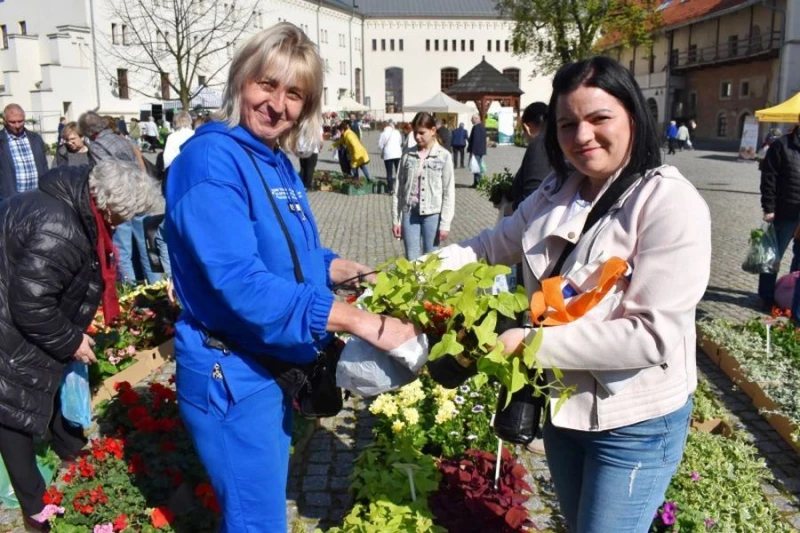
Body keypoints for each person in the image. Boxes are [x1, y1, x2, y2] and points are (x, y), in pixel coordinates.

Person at [435, 56, 710, 532]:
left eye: (599, 118)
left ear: (632, 117)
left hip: (634, 421)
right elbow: (489, 245)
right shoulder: (558, 189)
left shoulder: (668, 201)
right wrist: (408, 273)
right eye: (567, 124)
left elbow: (651, 336)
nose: (582, 136)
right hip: (563, 409)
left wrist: (530, 344)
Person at [164, 23, 419, 532]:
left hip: (272, 364)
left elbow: (286, 252)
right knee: (257, 523)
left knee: (258, 512)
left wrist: (337, 267)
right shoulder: (213, 159)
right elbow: (240, 282)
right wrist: (361, 321)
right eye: (267, 84)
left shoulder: (274, 159)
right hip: (233, 371)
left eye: (294, 93)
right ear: (241, 80)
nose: (277, 104)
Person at [0, 160, 161, 532]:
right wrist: (71, 339)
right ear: (109, 205)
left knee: (38, 389)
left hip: (13, 309)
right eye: (127, 214)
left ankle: (69, 451)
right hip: (9, 321)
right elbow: (31, 304)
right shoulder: (62, 227)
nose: (127, 222)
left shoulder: (72, 206)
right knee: (13, 405)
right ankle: (35, 510)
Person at [392, 112, 455, 261]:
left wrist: (445, 223)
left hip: (432, 214)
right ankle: (415, 285)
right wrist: (396, 220)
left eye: (422, 133)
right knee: (411, 259)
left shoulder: (443, 156)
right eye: (415, 132)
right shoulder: (407, 155)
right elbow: (398, 190)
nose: (417, 137)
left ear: (433, 131)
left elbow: (448, 192)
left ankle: (427, 285)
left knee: (431, 259)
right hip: (409, 213)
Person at [759, 123, 800, 309]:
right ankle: (766, 296)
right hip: (785, 211)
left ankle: (794, 297)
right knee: (773, 256)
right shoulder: (781, 145)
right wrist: (768, 207)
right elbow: (769, 177)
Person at [0, 104, 49, 201]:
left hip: (38, 196)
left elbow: (44, 166)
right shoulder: (1, 141)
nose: (17, 125)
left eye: (20, 121)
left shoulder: (35, 138)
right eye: (12, 122)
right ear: (5, 121)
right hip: (11, 199)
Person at [510, 101, 550, 210]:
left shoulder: (539, 145)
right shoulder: (553, 142)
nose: (523, 135)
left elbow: (533, 196)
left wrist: (509, 211)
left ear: (527, 127)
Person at [378, 120, 403, 193]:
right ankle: (400, 188)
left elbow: (380, 146)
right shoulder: (397, 132)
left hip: (388, 155)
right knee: (399, 172)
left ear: (384, 127)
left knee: (389, 173)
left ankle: (390, 189)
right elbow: (400, 142)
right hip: (398, 154)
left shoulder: (383, 134)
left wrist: (384, 146)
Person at [467, 114, 487, 187]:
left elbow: (476, 140)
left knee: (476, 167)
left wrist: (473, 152)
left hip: (476, 151)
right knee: (476, 166)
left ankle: (479, 183)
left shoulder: (476, 127)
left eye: (472, 119)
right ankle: (476, 183)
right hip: (480, 150)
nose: (471, 120)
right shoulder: (481, 126)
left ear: (476, 119)